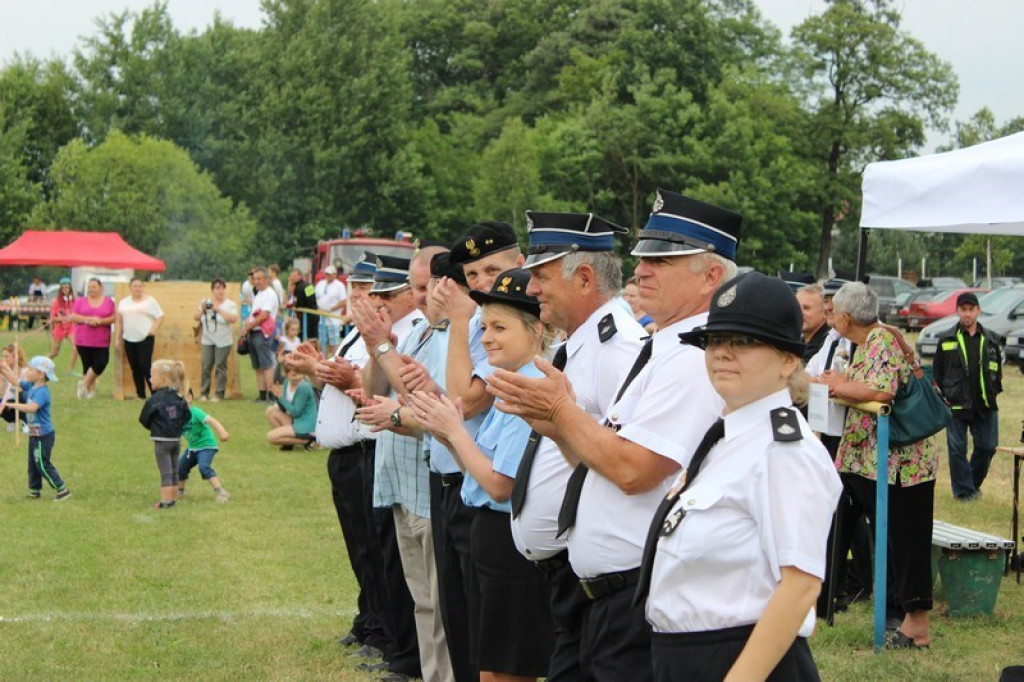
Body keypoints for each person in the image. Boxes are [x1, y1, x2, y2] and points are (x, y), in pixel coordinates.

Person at [487, 190, 740, 682]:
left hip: (634, 595)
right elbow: (601, 462)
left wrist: (562, 413)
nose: (641, 271)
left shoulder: (694, 358)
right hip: (606, 595)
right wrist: (558, 427)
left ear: (711, 277)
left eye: (663, 261)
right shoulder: (667, 347)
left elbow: (633, 471)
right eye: (643, 257)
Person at [634, 272, 841, 681]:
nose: (723, 353)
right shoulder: (727, 440)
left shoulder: (785, 452)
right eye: (714, 340)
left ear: (788, 360)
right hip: (684, 658)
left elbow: (800, 587)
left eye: (744, 341)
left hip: (741, 660)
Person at [514, 210, 647, 680]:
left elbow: (629, 464)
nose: (531, 288)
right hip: (576, 568)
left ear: (585, 278)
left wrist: (560, 419)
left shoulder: (618, 348)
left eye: (541, 276)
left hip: (609, 573)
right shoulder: (580, 343)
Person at [408, 267, 555, 682]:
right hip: (488, 535)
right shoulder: (509, 382)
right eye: (485, 326)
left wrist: (455, 432)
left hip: (508, 543)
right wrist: (447, 431)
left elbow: (499, 484)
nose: (487, 338)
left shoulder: (529, 389)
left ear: (536, 330)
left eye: (500, 327)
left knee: (506, 672)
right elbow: (480, 469)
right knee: (488, 667)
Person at [286, 254, 395, 660]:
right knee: (359, 547)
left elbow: (365, 387)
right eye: (355, 288)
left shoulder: (385, 335)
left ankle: (382, 631)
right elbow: (337, 383)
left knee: (375, 548)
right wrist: (314, 367)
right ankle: (368, 620)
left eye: (367, 289)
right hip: (346, 454)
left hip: (367, 451)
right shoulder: (353, 334)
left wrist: (326, 370)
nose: (359, 296)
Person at [820, 282, 937, 649]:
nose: (830, 317)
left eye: (832, 311)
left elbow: (882, 390)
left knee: (905, 540)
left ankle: (916, 627)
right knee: (873, 532)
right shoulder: (868, 341)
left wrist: (839, 386)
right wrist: (842, 384)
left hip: (901, 464)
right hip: (870, 460)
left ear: (845, 317)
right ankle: (831, 601)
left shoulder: (881, 339)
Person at [352, 253, 443, 682]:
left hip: (427, 482)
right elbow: (374, 390)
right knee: (422, 599)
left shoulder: (447, 338)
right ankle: (423, 670)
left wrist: (383, 346)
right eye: (418, 287)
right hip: (400, 482)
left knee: (439, 605)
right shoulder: (419, 334)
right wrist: (377, 346)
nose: (423, 297)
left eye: (426, 287)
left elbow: (422, 406)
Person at [933, 291, 1002, 501]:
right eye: (963, 310)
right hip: (956, 404)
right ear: (957, 311)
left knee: (988, 447)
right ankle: (964, 492)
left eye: (971, 310)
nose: (967, 314)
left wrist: (994, 389)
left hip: (985, 403)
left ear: (978, 311)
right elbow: (937, 372)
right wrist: (943, 396)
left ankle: (970, 483)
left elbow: (997, 371)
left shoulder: (991, 339)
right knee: (957, 449)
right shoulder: (946, 339)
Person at [0, 356, 71, 501]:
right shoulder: (32, 386)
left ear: (41, 374)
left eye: (31, 369)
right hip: (34, 433)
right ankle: (34, 490)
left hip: (43, 435)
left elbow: (32, 408)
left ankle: (62, 489)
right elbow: (15, 381)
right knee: (32, 463)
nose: (28, 371)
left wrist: (12, 405)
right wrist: (3, 370)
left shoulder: (42, 392)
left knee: (41, 463)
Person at [139, 359, 191, 509]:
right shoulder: (179, 398)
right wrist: (177, 427)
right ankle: (173, 498)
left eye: (152, 376)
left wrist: (154, 427)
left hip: (162, 442)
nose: (150, 379)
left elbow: (143, 419)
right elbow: (187, 416)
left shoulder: (154, 400)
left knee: (165, 472)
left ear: (163, 379)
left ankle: (165, 501)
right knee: (174, 469)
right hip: (176, 440)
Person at [116, 277, 165, 399]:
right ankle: (140, 394)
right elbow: (119, 322)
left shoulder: (150, 301)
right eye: (135, 286)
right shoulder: (124, 302)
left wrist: (153, 330)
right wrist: (117, 338)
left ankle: (155, 393)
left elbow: (160, 316)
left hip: (145, 338)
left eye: (139, 286)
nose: (137, 288)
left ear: (143, 287)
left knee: (145, 366)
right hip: (129, 338)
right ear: (130, 288)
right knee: (135, 367)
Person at [178, 396, 232, 502]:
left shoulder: (195, 412)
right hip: (192, 448)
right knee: (181, 467)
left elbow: (212, 421)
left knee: (203, 467)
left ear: (189, 399)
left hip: (206, 446)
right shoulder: (177, 417)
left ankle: (220, 491)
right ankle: (180, 491)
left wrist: (222, 432)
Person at [71, 277, 116, 399]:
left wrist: (100, 321)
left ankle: (84, 384)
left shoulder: (109, 302)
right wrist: (89, 319)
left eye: (94, 287)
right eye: (89, 287)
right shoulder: (80, 301)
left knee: (101, 363)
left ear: (101, 288)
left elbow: (114, 317)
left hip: (101, 340)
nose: (91, 289)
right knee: (87, 366)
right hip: (83, 339)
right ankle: (90, 391)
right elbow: (74, 317)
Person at [195, 277, 239, 402]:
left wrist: (218, 309)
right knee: (206, 366)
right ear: (212, 290)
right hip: (207, 339)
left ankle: (219, 394)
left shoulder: (230, 304)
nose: (220, 291)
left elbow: (233, 319)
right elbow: (196, 317)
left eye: (222, 288)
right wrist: (203, 309)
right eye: (217, 288)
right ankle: (204, 393)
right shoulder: (205, 302)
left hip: (223, 340)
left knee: (220, 366)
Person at [243, 267, 280, 402]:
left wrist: (248, 326)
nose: (256, 281)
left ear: (266, 279)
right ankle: (262, 395)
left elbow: (264, 315)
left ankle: (271, 395)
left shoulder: (270, 294)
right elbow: (254, 314)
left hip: (263, 333)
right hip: (254, 332)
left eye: (259, 279)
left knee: (266, 365)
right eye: (255, 279)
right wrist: (247, 325)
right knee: (258, 366)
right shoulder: (259, 293)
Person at [265, 365, 318, 450]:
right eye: (294, 375)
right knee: (270, 411)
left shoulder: (303, 387)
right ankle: (289, 443)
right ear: (287, 374)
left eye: (300, 374)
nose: (298, 377)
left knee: (270, 437)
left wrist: (281, 398)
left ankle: (309, 440)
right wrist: (277, 395)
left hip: (306, 424)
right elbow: (284, 407)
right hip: (296, 420)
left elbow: (296, 412)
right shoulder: (287, 383)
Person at [316, 264, 348, 355]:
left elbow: (343, 301)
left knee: (334, 344)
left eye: (329, 274)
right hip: (321, 320)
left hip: (334, 321)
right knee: (322, 343)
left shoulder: (339, 285)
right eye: (326, 274)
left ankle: (335, 360)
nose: (327, 275)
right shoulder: (320, 284)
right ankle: (323, 359)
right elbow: (314, 296)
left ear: (335, 274)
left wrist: (329, 309)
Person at [48, 277, 77, 368]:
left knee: (76, 347)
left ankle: (70, 369)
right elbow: (53, 318)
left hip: (70, 328)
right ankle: (41, 363)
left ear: (70, 288)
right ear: (60, 289)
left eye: (67, 287)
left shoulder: (74, 300)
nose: (65, 289)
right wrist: (63, 318)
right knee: (55, 352)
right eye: (63, 288)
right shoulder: (56, 302)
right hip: (59, 328)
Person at [797, 283, 829, 364]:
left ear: (825, 313)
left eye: (806, 308)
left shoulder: (827, 345)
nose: (799, 313)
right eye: (797, 307)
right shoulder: (798, 341)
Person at [2, 344, 28, 432]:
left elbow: (23, 392)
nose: (4, 359)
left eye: (6, 356)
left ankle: (26, 422)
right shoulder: (3, 371)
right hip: (10, 401)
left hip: (25, 402)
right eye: (3, 356)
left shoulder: (25, 371)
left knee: (21, 395)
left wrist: (8, 373)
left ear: (16, 357)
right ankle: (12, 420)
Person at [287, 267, 318, 341]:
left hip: (305, 315)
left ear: (299, 276)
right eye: (292, 276)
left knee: (303, 336)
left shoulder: (298, 287)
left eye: (294, 276)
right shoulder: (309, 285)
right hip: (314, 313)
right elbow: (312, 299)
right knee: (313, 336)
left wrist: (294, 306)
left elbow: (298, 302)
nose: (292, 278)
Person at [276, 317, 302, 383]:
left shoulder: (297, 340)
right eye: (293, 330)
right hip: (285, 362)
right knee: (285, 378)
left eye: (296, 330)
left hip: (295, 361)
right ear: (287, 329)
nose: (295, 332)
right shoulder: (283, 340)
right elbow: (279, 352)